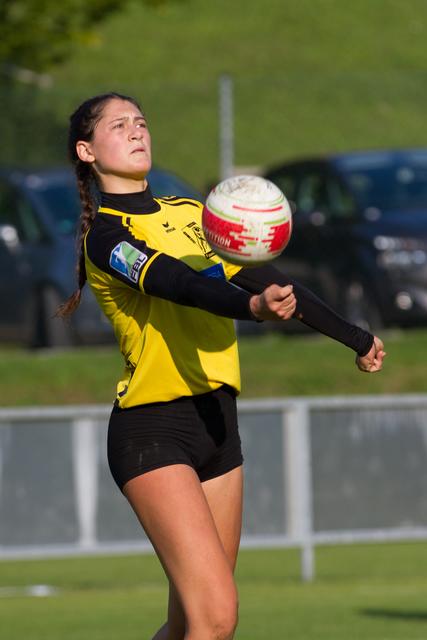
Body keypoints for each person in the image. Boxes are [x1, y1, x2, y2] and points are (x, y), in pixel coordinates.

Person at [58, 92, 386, 640]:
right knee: (215, 617)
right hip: (152, 429)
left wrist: (354, 337)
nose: (137, 131)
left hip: (217, 423)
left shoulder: (194, 215)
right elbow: (177, 285)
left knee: (193, 621)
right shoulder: (107, 238)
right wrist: (250, 309)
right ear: (87, 150)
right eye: (119, 126)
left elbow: (272, 284)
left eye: (141, 121)